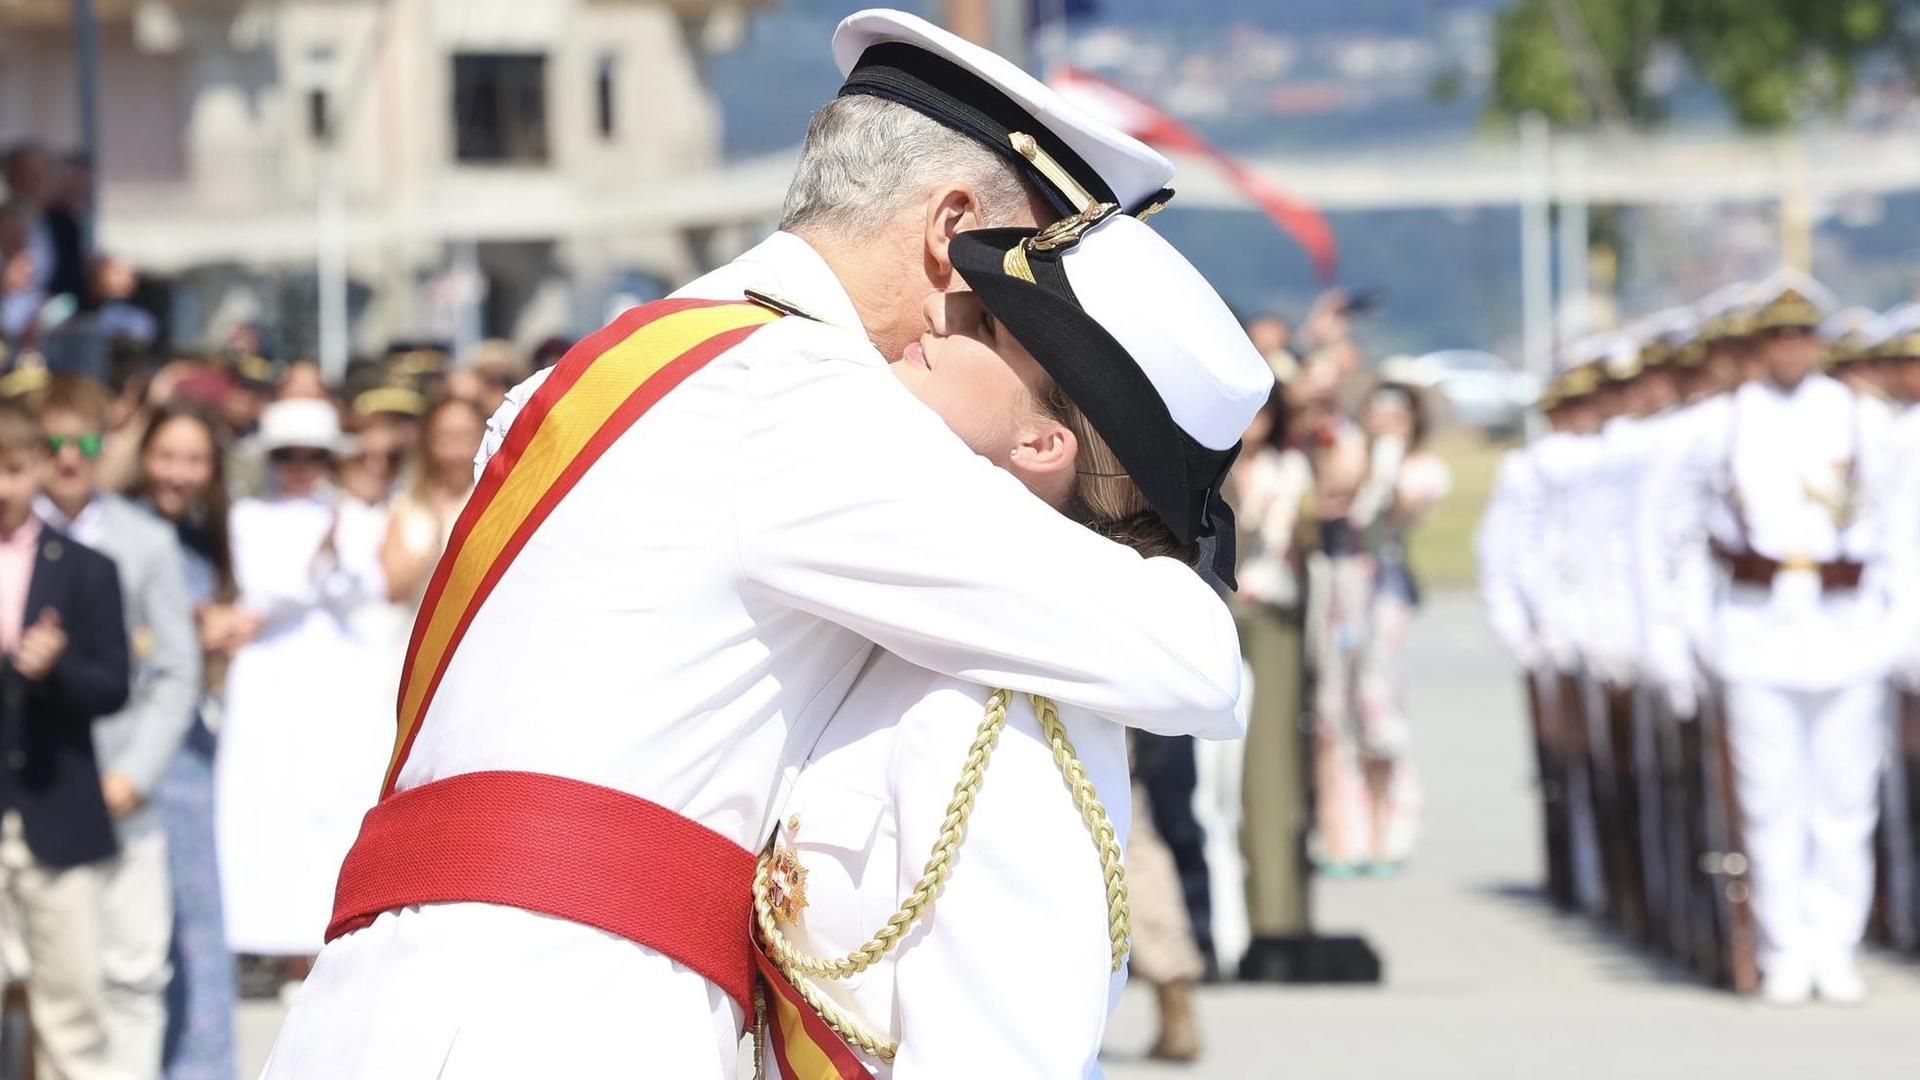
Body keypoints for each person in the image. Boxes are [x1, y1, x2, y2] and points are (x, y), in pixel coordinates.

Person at [265, 10, 1242, 1078]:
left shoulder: (606, 368)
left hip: (382, 1003)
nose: (990, 316)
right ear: (948, 224)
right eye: (1012, 284)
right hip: (565, 1016)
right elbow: (1193, 663)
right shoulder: (798, 399)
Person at [753, 211, 1270, 1076]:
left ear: (1042, 443)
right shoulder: (933, 629)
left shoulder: (1009, 717)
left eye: (983, 326)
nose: (936, 318)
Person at [1648, 271, 1919, 1004]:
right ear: (1761, 347)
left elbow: (1901, 530)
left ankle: (1836, 942)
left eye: (1803, 336)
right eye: (1779, 337)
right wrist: (1678, 635)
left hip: (1847, 625)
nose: (1792, 349)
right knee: (1770, 801)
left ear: (1821, 344)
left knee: (1845, 798)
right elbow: (1672, 532)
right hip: (1755, 624)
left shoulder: (1865, 420)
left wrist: (1901, 626)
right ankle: (1781, 945)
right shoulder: (1724, 421)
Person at [34, 376, 200, 1077]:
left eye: (88, 441)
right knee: (40, 979)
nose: (71, 458)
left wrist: (136, 770)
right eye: (55, 444)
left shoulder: (146, 541)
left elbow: (176, 671)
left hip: (120, 784)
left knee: (133, 973)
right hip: (34, 790)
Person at [217, 399, 387, 975]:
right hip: (270, 678)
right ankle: (264, 940)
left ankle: (322, 940)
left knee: (332, 800)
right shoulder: (246, 517)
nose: (299, 467)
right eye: (287, 456)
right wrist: (317, 567)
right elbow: (261, 596)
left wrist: (335, 560)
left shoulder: (355, 516)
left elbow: (371, 590)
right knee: (267, 798)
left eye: (311, 456)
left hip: (336, 679)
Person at [0, 397, 129, 1080]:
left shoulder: (85, 568)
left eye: (15, 469)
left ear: (40, 470)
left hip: (57, 809)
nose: (2, 487)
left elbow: (113, 686)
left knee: (71, 1007)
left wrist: (57, 667)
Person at [125, 403, 241, 1079]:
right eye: (166, 455)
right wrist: (181, 642)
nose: (178, 473)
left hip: (194, 760)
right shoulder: (118, 532)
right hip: (131, 754)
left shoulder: (206, 540)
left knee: (199, 924)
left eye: (194, 459)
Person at [1353, 382, 1450, 870]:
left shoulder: (1419, 469)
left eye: (1398, 412)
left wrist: (1387, 460)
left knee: (1378, 700)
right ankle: (1354, 822)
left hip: (1386, 590)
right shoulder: (1352, 457)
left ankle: (1394, 817)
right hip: (1346, 592)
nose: (1386, 419)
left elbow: (1396, 512)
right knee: (1344, 707)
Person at [379, 396, 485, 610]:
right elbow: (391, 589)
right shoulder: (407, 505)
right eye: (446, 435)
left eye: (465, 434)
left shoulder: (492, 503)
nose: (456, 444)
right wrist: (433, 550)